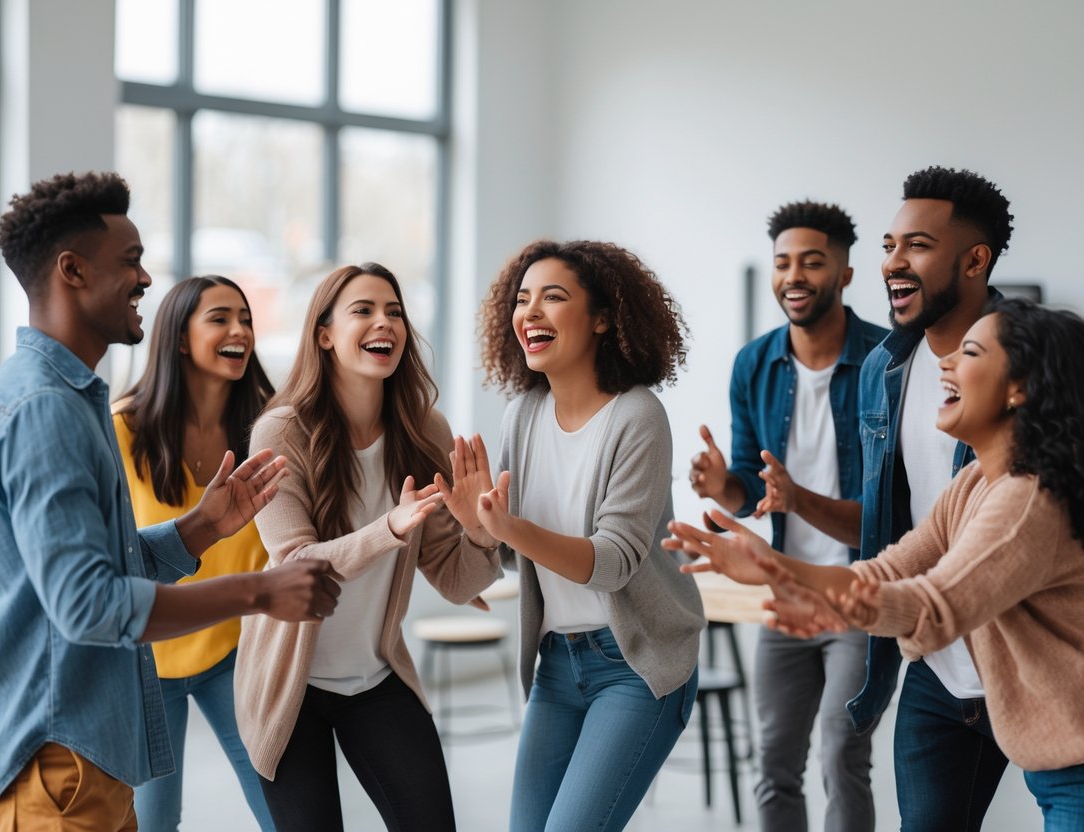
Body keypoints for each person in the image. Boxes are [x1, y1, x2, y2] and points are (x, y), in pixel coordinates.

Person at [0, 171, 339, 831]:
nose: (146, 280)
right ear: (72, 271)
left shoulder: (69, 396)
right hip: (52, 768)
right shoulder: (45, 409)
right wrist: (261, 592)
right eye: (130, 261)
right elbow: (90, 605)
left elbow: (100, 566)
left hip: (78, 761)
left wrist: (197, 529)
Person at [669, 297, 1084, 831]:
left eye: (971, 352)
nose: (945, 364)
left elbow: (934, 603)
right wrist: (773, 564)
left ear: (1019, 388)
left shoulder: (1026, 498)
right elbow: (886, 571)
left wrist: (826, 599)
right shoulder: (974, 484)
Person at [234, 262, 501, 832]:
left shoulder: (425, 430)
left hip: (376, 676)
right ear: (324, 334)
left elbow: (456, 582)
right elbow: (295, 566)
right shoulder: (280, 432)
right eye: (364, 310)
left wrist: (481, 529)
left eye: (395, 311)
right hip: (289, 683)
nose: (385, 322)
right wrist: (390, 529)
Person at [472, 240, 705, 832]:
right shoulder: (521, 415)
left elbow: (614, 561)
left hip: (635, 665)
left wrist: (509, 527)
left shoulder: (637, 416)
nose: (531, 313)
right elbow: (507, 553)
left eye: (553, 297)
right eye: (522, 300)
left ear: (603, 318)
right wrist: (475, 522)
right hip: (556, 665)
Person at [689, 200, 886, 831]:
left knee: (841, 751)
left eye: (811, 262)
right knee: (772, 764)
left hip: (861, 591)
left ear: (846, 274)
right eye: (782, 263)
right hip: (784, 589)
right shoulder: (754, 363)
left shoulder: (887, 363)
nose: (793, 276)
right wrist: (726, 487)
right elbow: (753, 486)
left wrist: (797, 497)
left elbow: (887, 517)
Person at [113, 276, 277, 831]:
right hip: (147, 663)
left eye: (246, 319)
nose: (239, 331)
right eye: (220, 318)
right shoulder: (121, 430)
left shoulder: (271, 427)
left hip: (235, 654)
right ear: (180, 339)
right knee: (153, 824)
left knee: (284, 810)